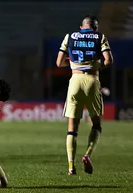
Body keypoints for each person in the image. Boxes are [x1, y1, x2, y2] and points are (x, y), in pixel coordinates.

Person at [56, 15, 113, 175]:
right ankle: (87, 154)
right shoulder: (99, 37)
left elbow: (59, 62)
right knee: (96, 123)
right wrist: (95, 65)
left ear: (82, 27)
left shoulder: (70, 36)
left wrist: (73, 63)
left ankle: (70, 167)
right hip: (92, 80)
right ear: (95, 27)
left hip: (75, 81)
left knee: (72, 127)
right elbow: (108, 60)